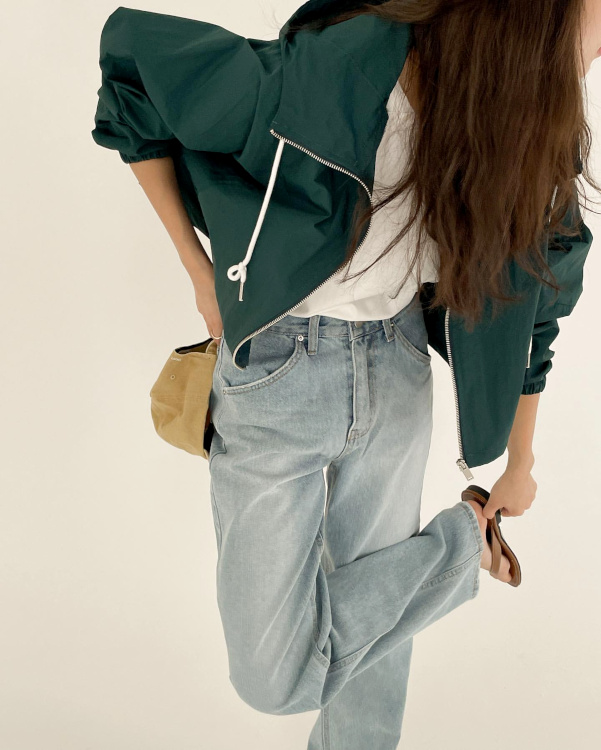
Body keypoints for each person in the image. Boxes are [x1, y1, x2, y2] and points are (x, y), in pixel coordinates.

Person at [90, 1, 598, 747]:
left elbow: (541, 299)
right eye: (592, 29)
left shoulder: (509, 122)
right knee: (271, 677)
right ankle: (464, 544)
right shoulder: (345, 65)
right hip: (280, 372)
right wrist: (199, 272)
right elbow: (133, 67)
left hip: (396, 369)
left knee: (370, 674)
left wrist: (519, 460)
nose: (591, 59)